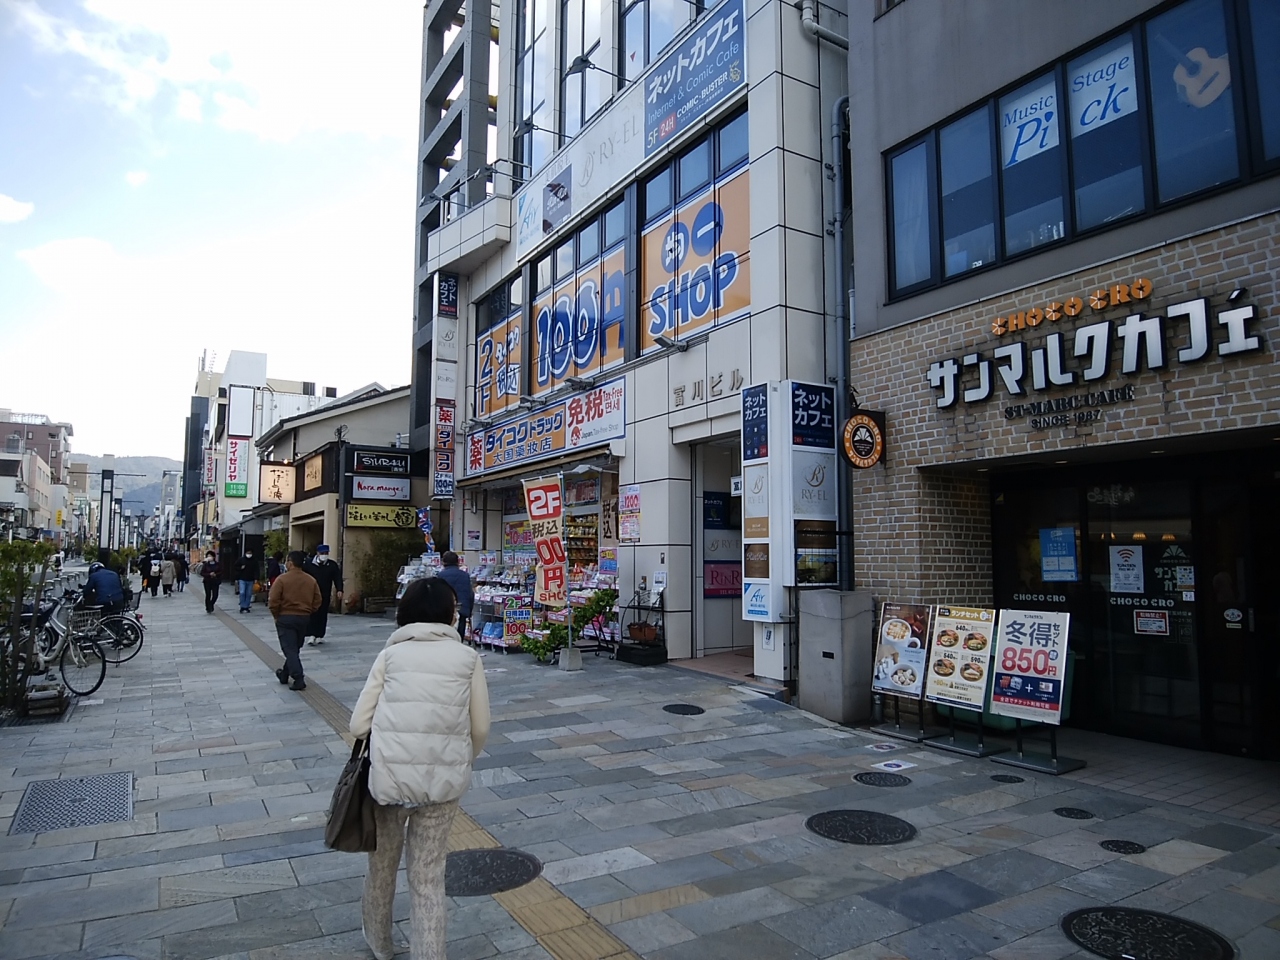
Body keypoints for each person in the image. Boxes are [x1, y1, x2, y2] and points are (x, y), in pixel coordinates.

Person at [350, 577, 490, 960]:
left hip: (389, 783)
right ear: (450, 614)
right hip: (443, 786)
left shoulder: (390, 657)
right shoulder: (468, 659)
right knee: (428, 878)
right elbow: (480, 727)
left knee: (382, 868)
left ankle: (380, 944)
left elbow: (358, 725)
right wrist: (461, 758)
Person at [268, 550, 321, 691]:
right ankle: (284, 674)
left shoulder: (282, 580)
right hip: (303, 618)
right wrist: (309, 610)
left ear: (290, 563)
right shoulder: (310, 580)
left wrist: (276, 615)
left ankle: (298, 678)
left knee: (289, 649)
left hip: (286, 617)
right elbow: (317, 600)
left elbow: (273, 601)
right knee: (294, 648)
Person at [304, 545, 343, 645]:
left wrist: (339, 589)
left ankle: (320, 635)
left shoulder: (331, 565)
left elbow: (337, 577)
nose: (324, 555)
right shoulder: (309, 564)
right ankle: (312, 634)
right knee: (312, 613)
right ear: (317, 553)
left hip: (325, 593)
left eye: (326, 553)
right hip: (311, 593)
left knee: (323, 614)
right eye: (322, 553)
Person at [436, 551, 474, 643]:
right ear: (458, 561)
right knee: (460, 632)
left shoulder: (440, 575)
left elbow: (437, 594)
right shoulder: (465, 576)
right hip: (462, 607)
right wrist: (469, 610)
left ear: (444, 562)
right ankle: (459, 645)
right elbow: (470, 594)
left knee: (446, 632)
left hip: (445, 609)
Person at [234, 549, 259, 614]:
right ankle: (242, 606)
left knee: (248, 593)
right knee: (242, 592)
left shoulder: (254, 561)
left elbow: (256, 570)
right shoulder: (241, 560)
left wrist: (256, 578)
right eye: (248, 553)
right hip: (242, 578)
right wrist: (240, 568)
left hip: (250, 579)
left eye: (250, 553)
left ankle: (246, 606)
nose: (249, 554)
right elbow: (235, 566)